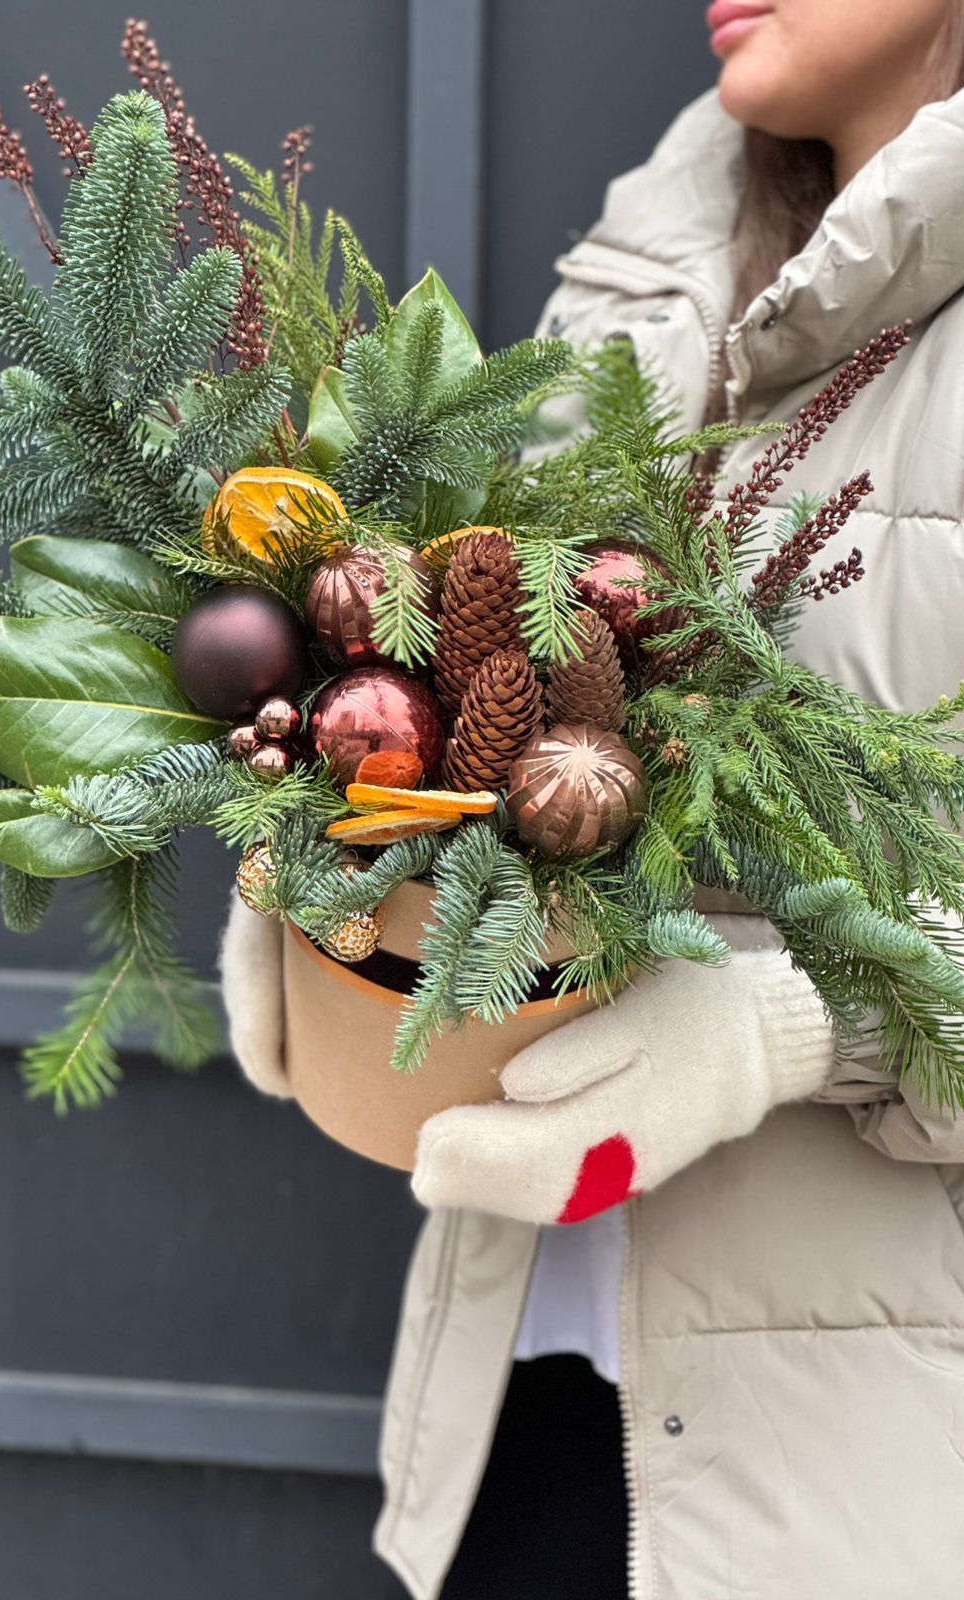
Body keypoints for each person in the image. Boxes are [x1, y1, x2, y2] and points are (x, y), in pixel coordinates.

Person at [220, 2, 964, 1594]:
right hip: (525, 1390)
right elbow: (485, 696)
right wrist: (350, 877)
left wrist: (800, 1023)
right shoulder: (647, 267)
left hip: (873, 1473)